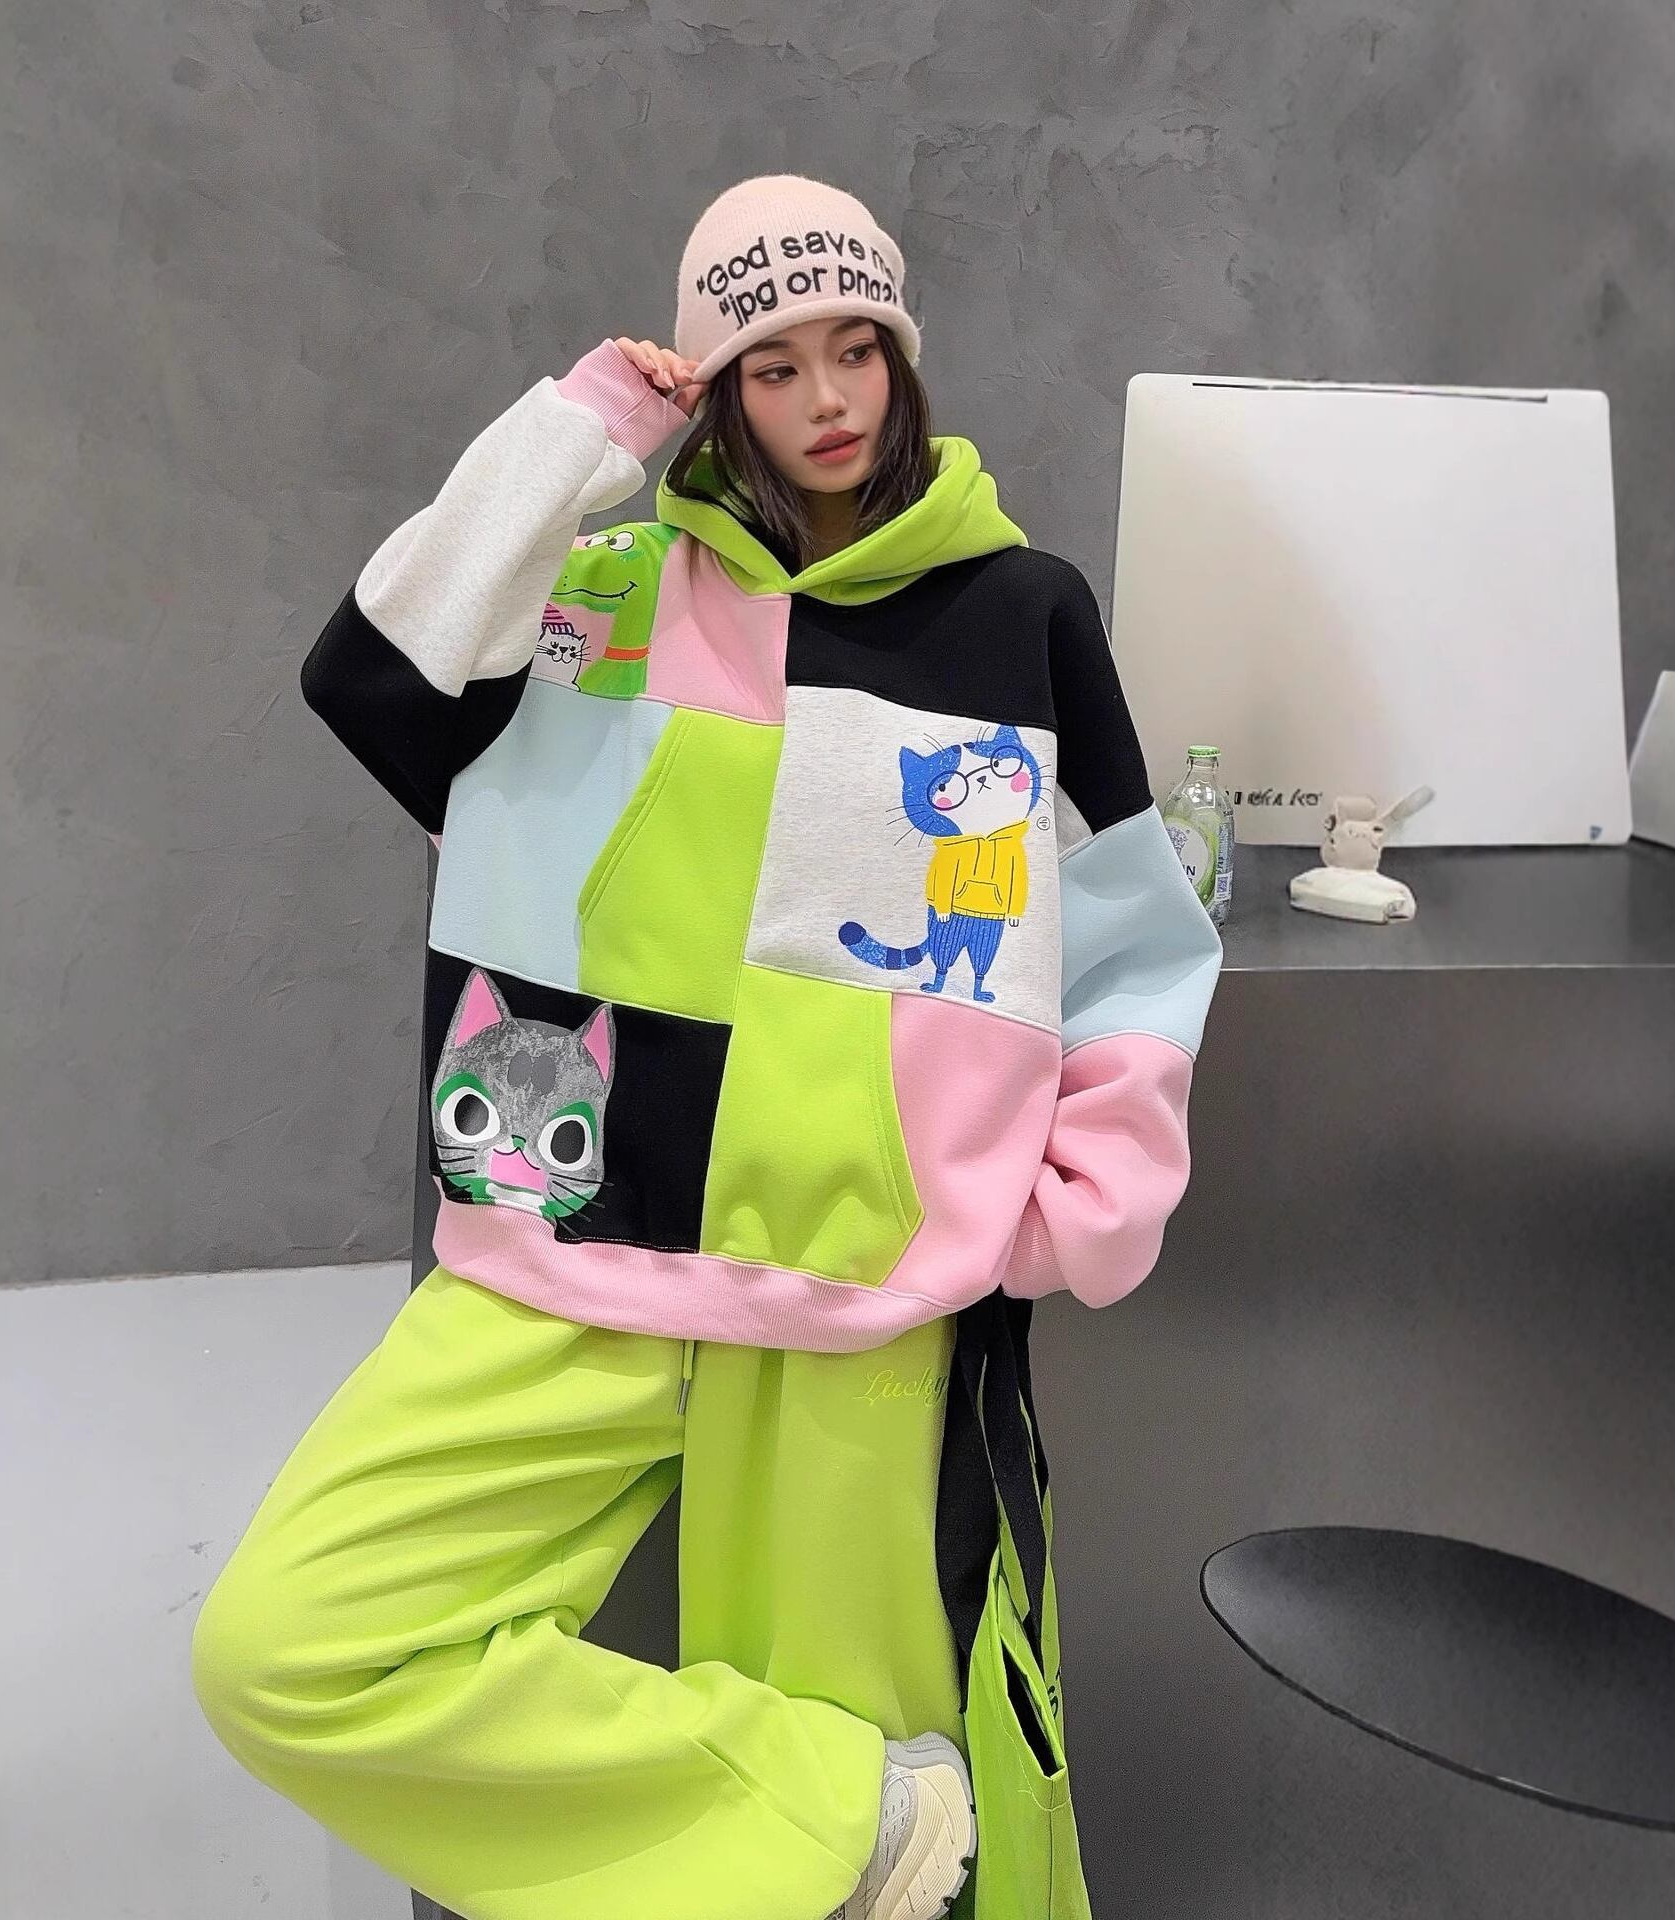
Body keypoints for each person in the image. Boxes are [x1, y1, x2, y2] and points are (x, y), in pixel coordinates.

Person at [190, 173, 1224, 1920]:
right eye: (772, 365)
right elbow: (372, 673)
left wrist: (1086, 1197)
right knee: (289, 1650)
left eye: (857, 351)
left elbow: (1127, 934)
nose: (827, 401)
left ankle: (865, 1824)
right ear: (717, 389)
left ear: (903, 360)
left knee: (915, 1851)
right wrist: (585, 429)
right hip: (566, 1262)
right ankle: (841, 1813)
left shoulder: (1019, 610)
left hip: (862, 1292)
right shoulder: (596, 602)